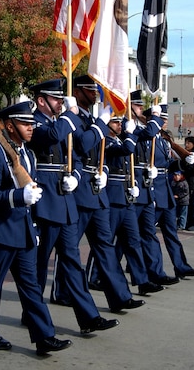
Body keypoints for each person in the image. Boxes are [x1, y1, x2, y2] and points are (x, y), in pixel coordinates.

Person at [0, 100, 72, 356]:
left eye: (32, 123)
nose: (31, 127)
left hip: (25, 231)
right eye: (25, 123)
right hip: (1, 230)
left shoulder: (26, 154)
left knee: (31, 288)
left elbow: (30, 191)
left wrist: (35, 227)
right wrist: (18, 197)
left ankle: (44, 336)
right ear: (9, 126)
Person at [27, 78, 119, 334]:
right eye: (56, 99)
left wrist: (76, 176)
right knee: (39, 262)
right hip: (45, 201)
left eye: (61, 99)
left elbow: (77, 157)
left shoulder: (62, 122)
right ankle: (31, 312)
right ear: (41, 100)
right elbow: (51, 137)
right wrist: (70, 114)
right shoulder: (35, 122)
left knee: (72, 262)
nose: (60, 103)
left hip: (66, 202)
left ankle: (89, 317)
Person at [52, 75, 145, 314]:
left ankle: (120, 296)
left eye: (96, 90)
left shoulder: (92, 120)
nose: (96, 94)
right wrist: (100, 124)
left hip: (97, 192)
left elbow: (99, 153)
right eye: (91, 90)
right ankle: (61, 291)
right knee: (70, 248)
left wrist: (103, 170)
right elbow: (82, 146)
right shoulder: (73, 120)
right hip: (79, 191)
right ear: (79, 92)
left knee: (105, 246)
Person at [86, 113, 164, 296]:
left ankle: (142, 280)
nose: (119, 125)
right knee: (105, 241)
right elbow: (127, 150)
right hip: (112, 198)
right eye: (115, 122)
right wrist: (131, 134)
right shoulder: (106, 142)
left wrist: (133, 184)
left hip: (126, 196)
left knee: (133, 241)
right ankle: (94, 276)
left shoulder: (120, 141)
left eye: (120, 122)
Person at [138, 104, 194, 280]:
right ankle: (151, 271)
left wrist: (184, 162)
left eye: (165, 119)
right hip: (151, 190)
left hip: (164, 191)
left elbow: (168, 164)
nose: (164, 122)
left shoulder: (163, 140)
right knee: (142, 235)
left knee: (171, 233)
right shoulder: (146, 138)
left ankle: (181, 266)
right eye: (162, 118)